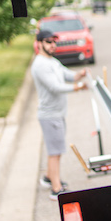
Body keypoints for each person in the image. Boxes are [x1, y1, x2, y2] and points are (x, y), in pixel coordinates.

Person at [31, 29, 88, 199]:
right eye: (48, 42)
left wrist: (79, 75)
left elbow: (67, 75)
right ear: (39, 44)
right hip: (50, 115)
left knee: (56, 150)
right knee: (55, 152)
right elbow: (55, 87)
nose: (53, 45)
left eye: (54, 42)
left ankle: (49, 178)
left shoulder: (52, 61)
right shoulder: (40, 64)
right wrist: (78, 87)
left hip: (57, 114)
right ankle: (56, 189)